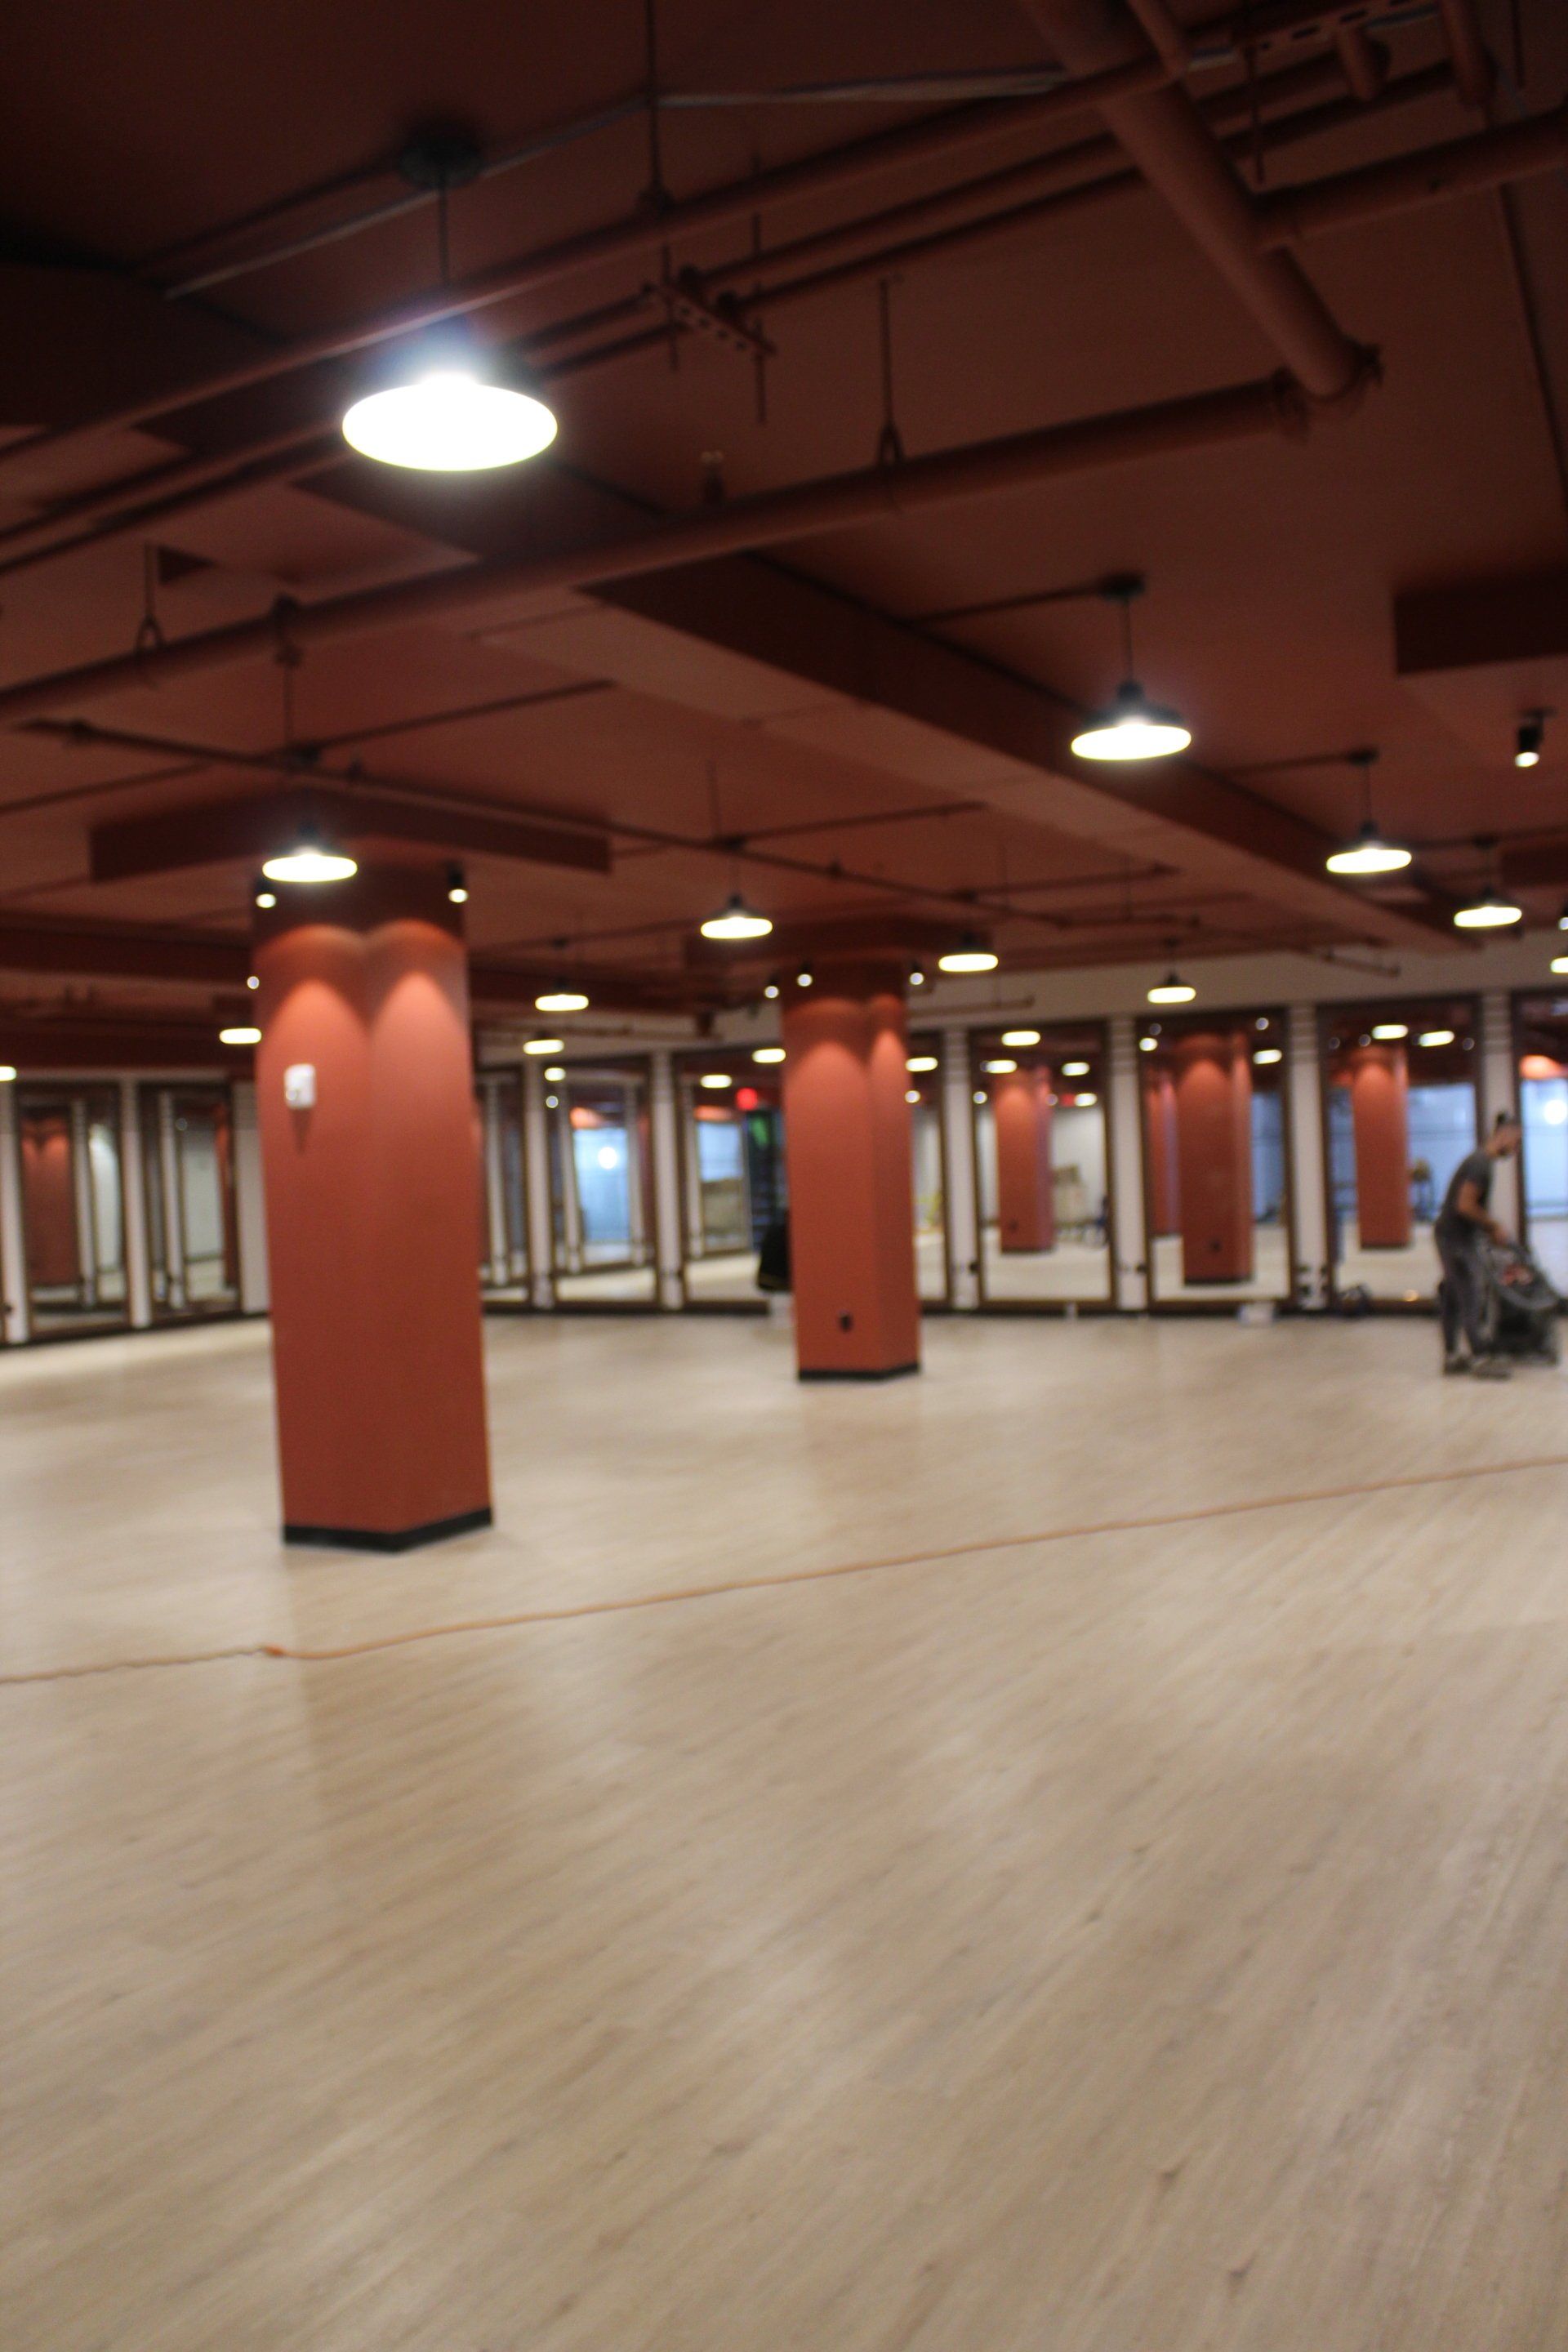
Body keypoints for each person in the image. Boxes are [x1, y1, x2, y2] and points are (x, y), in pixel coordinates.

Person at [1435, 1109, 1523, 1379]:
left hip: (1452, 1235)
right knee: (1471, 1293)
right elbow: (1465, 1204)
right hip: (1456, 1238)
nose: (1516, 1149)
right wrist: (1493, 1225)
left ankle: (1452, 1357)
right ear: (1504, 1135)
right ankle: (1480, 1357)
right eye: (1516, 1142)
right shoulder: (1481, 1164)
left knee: (1453, 1296)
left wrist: (1487, 1230)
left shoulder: (1480, 1161)